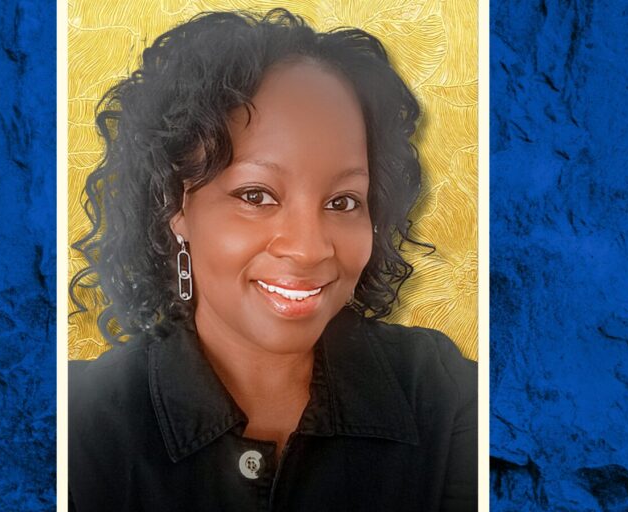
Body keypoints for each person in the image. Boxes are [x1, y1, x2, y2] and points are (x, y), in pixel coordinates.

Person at [68, 9, 476, 511]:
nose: (308, 248)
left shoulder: (445, 398)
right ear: (175, 205)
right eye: (256, 195)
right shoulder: (72, 426)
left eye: (343, 201)